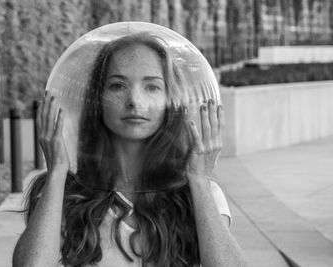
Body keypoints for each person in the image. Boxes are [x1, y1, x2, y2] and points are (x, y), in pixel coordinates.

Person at [13, 32, 246, 267]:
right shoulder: (66, 191)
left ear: (171, 100)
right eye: (118, 85)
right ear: (98, 98)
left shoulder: (199, 193)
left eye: (152, 87)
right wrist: (56, 175)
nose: (134, 100)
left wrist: (199, 181)